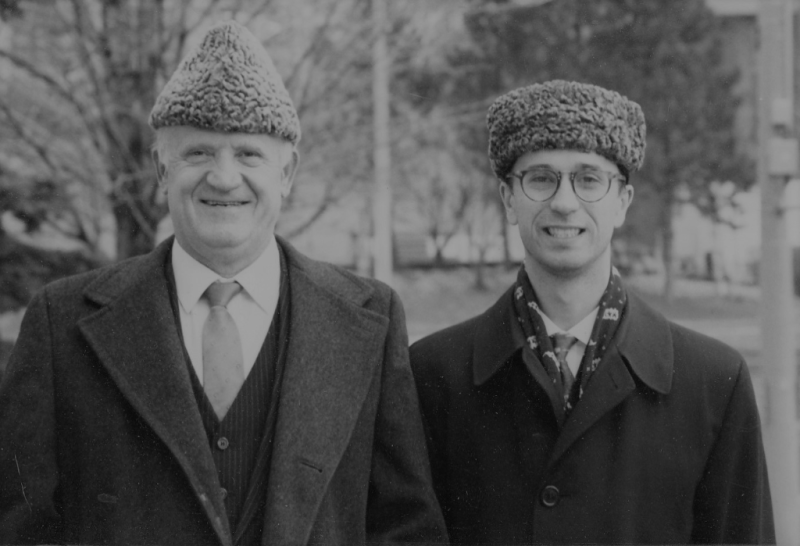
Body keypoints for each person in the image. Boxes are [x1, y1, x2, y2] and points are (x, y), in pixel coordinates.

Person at [0, 21, 446, 546]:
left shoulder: (371, 318)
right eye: (199, 153)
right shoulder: (63, 320)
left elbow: (407, 526)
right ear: (161, 170)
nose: (224, 177)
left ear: (287, 172)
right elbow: (20, 527)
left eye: (249, 154)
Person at [410, 80, 774, 545]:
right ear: (507, 199)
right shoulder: (433, 373)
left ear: (622, 201)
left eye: (589, 179)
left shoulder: (713, 381)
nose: (564, 202)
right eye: (540, 178)